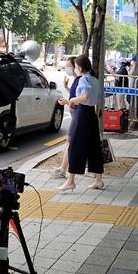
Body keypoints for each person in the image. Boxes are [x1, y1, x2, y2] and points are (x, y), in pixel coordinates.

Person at [57, 55, 104, 191]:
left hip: (82, 114)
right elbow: (98, 100)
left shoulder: (84, 79)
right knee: (94, 147)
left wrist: (68, 101)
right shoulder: (95, 80)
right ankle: (98, 180)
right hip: (92, 116)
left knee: (75, 146)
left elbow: (85, 96)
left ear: (80, 68)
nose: (75, 70)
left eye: (76, 67)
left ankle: (70, 181)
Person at [53, 57, 80, 178]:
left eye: (69, 65)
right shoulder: (76, 79)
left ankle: (63, 170)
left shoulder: (81, 80)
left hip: (79, 115)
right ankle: (64, 170)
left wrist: (67, 102)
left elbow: (79, 99)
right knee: (73, 142)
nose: (67, 67)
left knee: (70, 141)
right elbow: (75, 95)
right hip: (76, 114)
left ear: (76, 66)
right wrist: (66, 87)